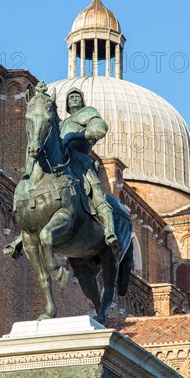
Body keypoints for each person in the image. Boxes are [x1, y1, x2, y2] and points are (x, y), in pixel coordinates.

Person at [60, 87, 120, 256]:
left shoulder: (88, 113)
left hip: (80, 160)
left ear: (82, 100)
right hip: (63, 160)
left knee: (95, 190)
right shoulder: (62, 123)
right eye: (70, 97)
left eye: (77, 97)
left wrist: (75, 136)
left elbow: (100, 129)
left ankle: (109, 230)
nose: (73, 99)